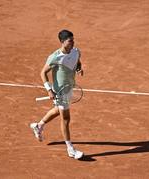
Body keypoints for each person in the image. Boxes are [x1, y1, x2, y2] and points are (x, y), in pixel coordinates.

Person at [30, 29, 84, 159]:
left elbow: (77, 62)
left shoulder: (76, 52)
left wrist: (78, 68)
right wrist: (49, 90)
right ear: (62, 42)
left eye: (73, 40)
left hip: (69, 87)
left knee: (57, 110)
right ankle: (70, 149)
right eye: (69, 41)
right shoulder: (55, 57)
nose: (72, 43)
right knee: (65, 119)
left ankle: (39, 125)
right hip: (59, 90)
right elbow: (43, 73)